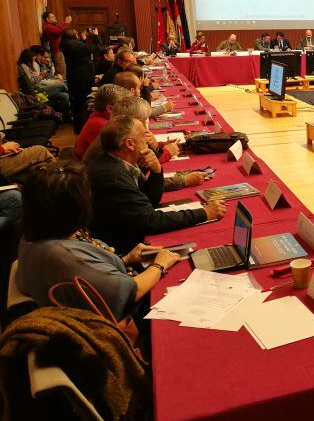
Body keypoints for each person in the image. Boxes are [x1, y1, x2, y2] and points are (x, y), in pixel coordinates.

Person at [16, 161, 182, 321]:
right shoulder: (62, 254)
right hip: (112, 321)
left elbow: (89, 273)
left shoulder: (36, 231)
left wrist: (126, 259)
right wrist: (160, 265)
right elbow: (131, 292)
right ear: (74, 206)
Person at [87, 116, 227, 254]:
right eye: (144, 135)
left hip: (125, 234)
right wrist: (205, 213)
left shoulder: (117, 162)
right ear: (130, 144)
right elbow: (151, 222)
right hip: (121, 248)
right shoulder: (113, 177)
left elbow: (151, 198)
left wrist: (156, 171)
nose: (148, 139)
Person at [73, 84, 131, 161]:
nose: (128, 109)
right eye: (125, 105)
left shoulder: (98, 117)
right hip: (87, 169)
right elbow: (120, 156)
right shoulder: (103, 125)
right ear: (110, 108)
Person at [61, 27, 97, 133]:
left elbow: (82, 51)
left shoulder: (65, 44)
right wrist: (95, 36)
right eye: (75, 32)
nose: (77, 33)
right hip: (82, 77)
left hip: (74, 76)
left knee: (76, 103)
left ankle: (78, 127)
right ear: (72, 35)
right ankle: (82, 128)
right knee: (82, 102)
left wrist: (83, 40)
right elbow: (95, 48)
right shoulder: (76, 46)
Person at [41, 11, 72, 78]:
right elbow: (59, 31)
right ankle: (62, 87)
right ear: (47, 19)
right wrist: (66, 23)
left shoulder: (52, 26)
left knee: (62, 71)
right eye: (52, 17)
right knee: (61, 72)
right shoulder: (47, 26)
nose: (55, 17)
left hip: (58, 50)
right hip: (56, 51)